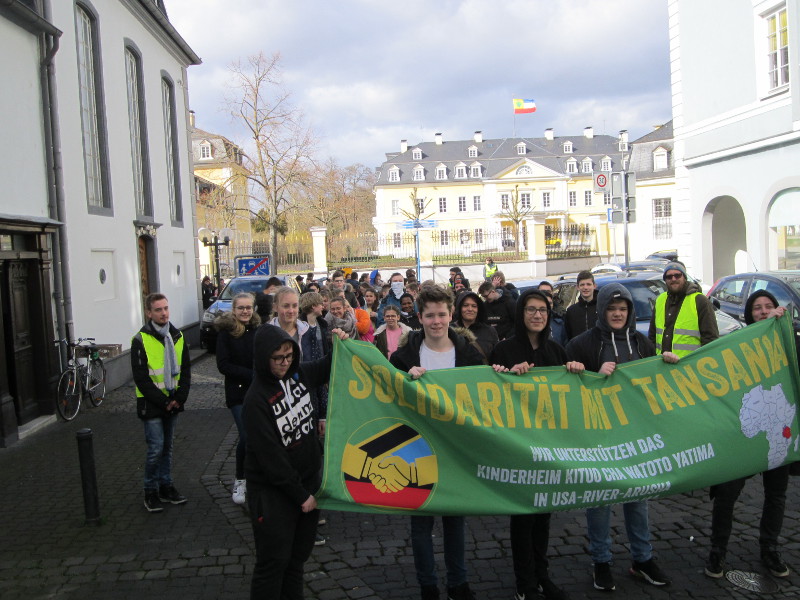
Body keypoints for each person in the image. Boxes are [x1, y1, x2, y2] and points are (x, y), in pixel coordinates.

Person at [565, 283, 674, 591]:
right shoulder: (581, 344)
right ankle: (601, 561)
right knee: (599, 501)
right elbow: (568, 388)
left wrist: (666, 366)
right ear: (601, 310)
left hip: (634, 434)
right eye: (612, 309)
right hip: (598, 436)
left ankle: (642, 559)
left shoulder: (641, 342)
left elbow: (652, 385)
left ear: (629, 312)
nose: (617, 314)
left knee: (637, 500)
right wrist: (591, 375)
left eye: (623, 309)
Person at [389, 285, 485, 600]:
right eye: (429, 315)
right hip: (416, 449)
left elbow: (485, 394)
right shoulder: (403, 355)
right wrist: (403, 379)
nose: (436, 321)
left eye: (442, 314)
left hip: (455, 449)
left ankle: (458, 583)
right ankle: (428, 586)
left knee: (455, 522)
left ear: (451, 314)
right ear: (419, 317)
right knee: (420, 527)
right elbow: (387, 394)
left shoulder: (469, 353)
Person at [243, 324, 347, 599]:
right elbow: (270, 457)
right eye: (278, 358)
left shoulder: (298, 373)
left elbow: (328, 365)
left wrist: (341, 343)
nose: (285, 363)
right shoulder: (255, 400)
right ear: (264, 358)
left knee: (297, 560)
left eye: (289, 356)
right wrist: (300, 495)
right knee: (273, 563)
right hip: (274, 492)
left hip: (307, 483)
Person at [490, 289, 575, 600]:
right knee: (523, 516)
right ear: (521, 314)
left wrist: (575, 372)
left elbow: (570, 395)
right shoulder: (505, 350)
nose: (537, 315)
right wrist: (507, 376)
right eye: (531, 310)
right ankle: (524, 581)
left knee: (544, 515)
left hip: (549, 445)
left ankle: (542, 576)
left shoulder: (556, 351)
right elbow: (493, 392)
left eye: (542, 310)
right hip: (520, 446)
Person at [704, 289, 791, 579]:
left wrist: (786, 326)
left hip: (777, 428)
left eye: (768, 307)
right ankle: (717, 551)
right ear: (749, 314)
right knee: (728, 493)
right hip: (745, 431)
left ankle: (770, 548)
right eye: (757, 308)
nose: (763, 312)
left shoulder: (788, 342)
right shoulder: (737, 345)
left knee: (776, 495)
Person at [132, 293, 191, 513]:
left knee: (168, 447)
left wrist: (179, 398)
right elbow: (141, 379)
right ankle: (150, 491)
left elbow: (185, 371)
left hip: (173, 401)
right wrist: (164, 401)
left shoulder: (178, 336)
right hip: (151, 403)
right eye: (158, 310)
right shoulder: (140, 340)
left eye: (166, 308)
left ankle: (166, 486)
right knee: (155, 448)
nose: (164, 313)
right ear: (149, 313)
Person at [214, 293, 260, 505]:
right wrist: (251, 374)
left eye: (248, 307)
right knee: (247, 436)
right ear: (234, 310)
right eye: (241, 308)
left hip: (258, 392)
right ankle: (240, 479)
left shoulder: (258, 330)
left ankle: (258, 479)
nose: (245, 311)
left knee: (259, 436)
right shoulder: (226, 333)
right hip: (238, 393)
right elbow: (223, 365)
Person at [648, 261, 718, 356]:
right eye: (669, 276)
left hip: (689, 367)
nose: (673, 279)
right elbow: (652, 337)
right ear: (665, 280)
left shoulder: (700, 300)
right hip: (662, 366)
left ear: (684, 277)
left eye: (677, 275)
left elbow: (710, 340)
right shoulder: (660, 299)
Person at [452, 290, 499, 359]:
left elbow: (497, 358)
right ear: (459, 308)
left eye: (474, 306)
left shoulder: (489, 331)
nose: (470, 309)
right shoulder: (451, 330)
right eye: (465, 305)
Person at [269, 287, 310, 355]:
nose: (291, 311)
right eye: (286, 306)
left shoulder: (306, 331)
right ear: (275, 307)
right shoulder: (267, 334)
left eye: (294, 306)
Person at [564, 270, 598, 341]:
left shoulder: (602, 308)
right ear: (577, 287)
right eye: (582, 285)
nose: (585, 287)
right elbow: (568, 336)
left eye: (588, 284)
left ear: (594, 286)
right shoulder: (571, 311)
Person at [537, 282, 566, 346]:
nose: (547, 305)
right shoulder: (530, 322)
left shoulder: (560, 320)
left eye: (550, 303)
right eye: (542, 292)